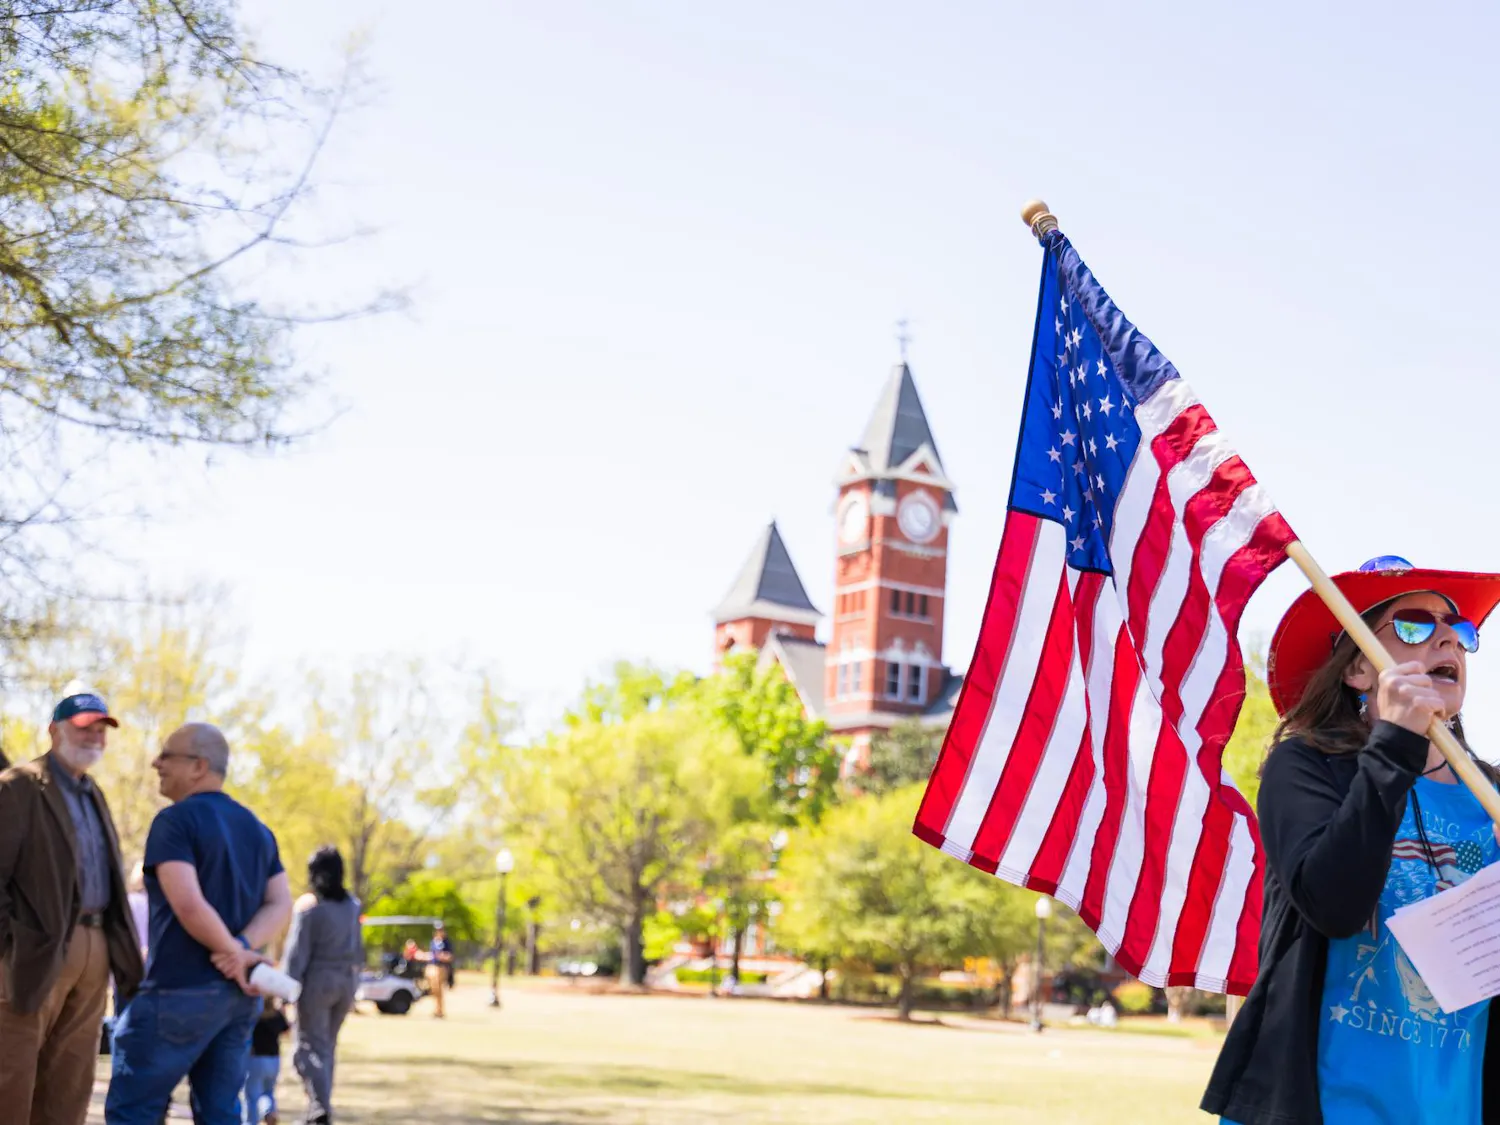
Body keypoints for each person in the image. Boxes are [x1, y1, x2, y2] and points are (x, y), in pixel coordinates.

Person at [1203, 555, 1500, 1124]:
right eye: (1415, 624)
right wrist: (1394, 744)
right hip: (1324, 1104)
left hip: (1450, 1107)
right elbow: (1333, 905)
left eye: (1460, 631)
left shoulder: (1491, 796)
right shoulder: (1307, 768)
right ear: (1357, 670)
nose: (1449, 641)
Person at [106, 722, 293, 1125]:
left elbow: (188, 903)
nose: (156, 763)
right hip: (237, 999)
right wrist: (241, 950)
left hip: (177, 991)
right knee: (221, 1112)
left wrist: (233, 951)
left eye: (166, 755)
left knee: (132, 1110)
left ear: (198, 766)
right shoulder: (258, 830)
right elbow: (280, 904)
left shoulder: (173, 822)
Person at [0, 691, 144, 1125]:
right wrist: (13, 943)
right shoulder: (19, 786)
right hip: (32, 950)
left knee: (71, 1082)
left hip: (96, 945)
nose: (94, 735)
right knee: (12, 1078)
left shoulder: (92, 792)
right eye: (84, 726)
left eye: (101, 728)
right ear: (54, 730)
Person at [283, 845, 364, 1124]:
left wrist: (284, 990)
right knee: (326, 1048)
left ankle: (319, 1109)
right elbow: (358, 949)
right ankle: (317, 1111)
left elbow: (297, 954)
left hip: (317, 985)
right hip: (345, 983)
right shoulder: (353, 906)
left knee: (305, 1048)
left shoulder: (310, 908)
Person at [242, 998, 290, 1125]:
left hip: (255, 1058)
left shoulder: (253, 1015)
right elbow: (287, 1030)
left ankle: (250, 1121)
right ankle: (269, 1111)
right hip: (274, 1059)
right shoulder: (277, 1015)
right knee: (268, 1091)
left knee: (251, 1095)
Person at [427, 923, 453, 1018]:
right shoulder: (433, 941)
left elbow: (450, 956)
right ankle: (436, 1008)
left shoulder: (446, 942)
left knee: (439, 989)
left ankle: (440, 1010)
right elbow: (431, 954)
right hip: (432, 966)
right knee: (433, 990)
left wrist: (442, 956)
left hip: (441, 967)